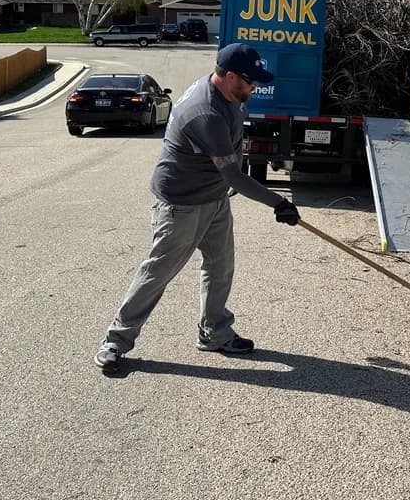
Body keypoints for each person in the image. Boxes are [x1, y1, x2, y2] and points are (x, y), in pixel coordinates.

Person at [94, 42, 300, 374]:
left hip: (214, 198)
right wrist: (279, 203)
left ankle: (214, 333)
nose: (256, 86)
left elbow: (232, 163)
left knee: (220, 267)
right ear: (230, 76)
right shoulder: (205, 111)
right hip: (181, 203)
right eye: (251, 81)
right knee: (157, 273)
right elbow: (233, 171)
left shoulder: (229, 95)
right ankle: (115, 342)